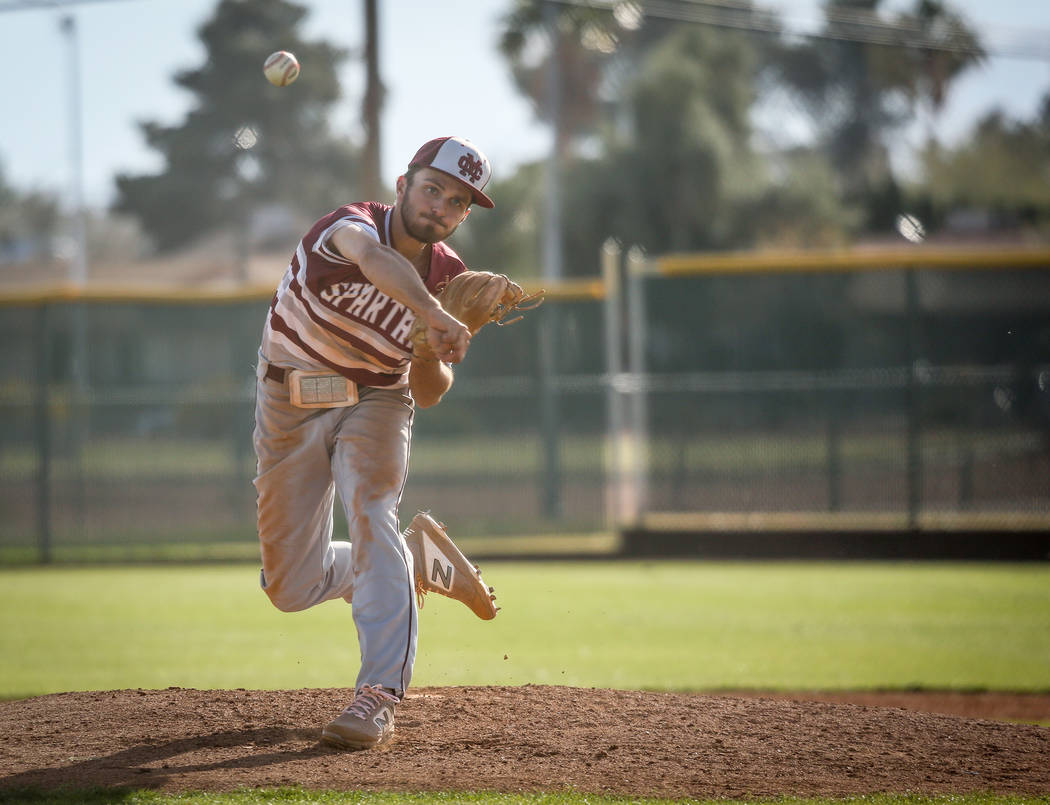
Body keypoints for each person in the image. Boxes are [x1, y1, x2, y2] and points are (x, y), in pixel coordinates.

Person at [252, 136, 496, 750]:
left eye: (456, 201)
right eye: (432, 188)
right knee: (289, 587)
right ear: (403, 185)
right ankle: (416, 559)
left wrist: (427, 349)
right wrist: (431, 313)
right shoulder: (348, 226)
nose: (440, 206)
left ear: (463, 216)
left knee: (370, 508)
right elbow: (376, 263)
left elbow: (432, 390)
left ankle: (379, 696)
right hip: (292, 398)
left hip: (378, 400)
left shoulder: (450, 277)